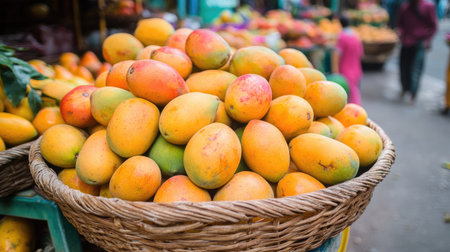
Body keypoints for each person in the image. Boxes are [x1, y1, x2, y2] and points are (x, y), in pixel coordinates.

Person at [397, 0, 438, 104]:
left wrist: (427, 40)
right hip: (406, 42)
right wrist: (400, 33)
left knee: (415, 69)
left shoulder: (428, 7)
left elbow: (433, 26)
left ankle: (413, 94)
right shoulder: (405, 7)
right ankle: (404, 89)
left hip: (419, 43)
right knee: (403, 67)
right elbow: (400, 24)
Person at [335, 15, 364, 105]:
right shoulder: (355, 36)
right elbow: (361, 54)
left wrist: (335, 71)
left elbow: (336, 55)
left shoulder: (341, 37)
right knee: (354, 92)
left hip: (345, 70)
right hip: (357, 69)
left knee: (351, 96)